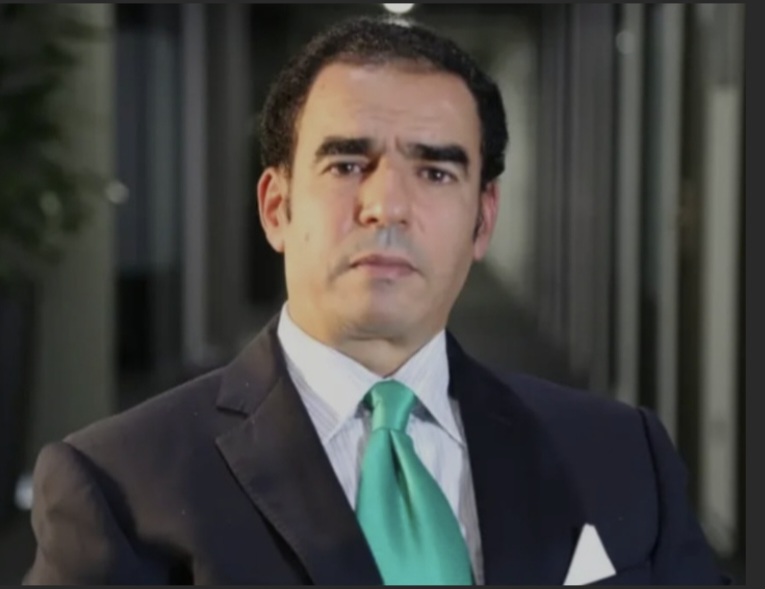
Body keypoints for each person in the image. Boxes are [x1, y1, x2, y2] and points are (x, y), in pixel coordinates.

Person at [24, 15, 730, 586]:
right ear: (276, 207)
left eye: (435, 172)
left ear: (482, 220)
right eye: (345, 164)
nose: (387, 205)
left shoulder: (620, 453)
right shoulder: (120, 485)